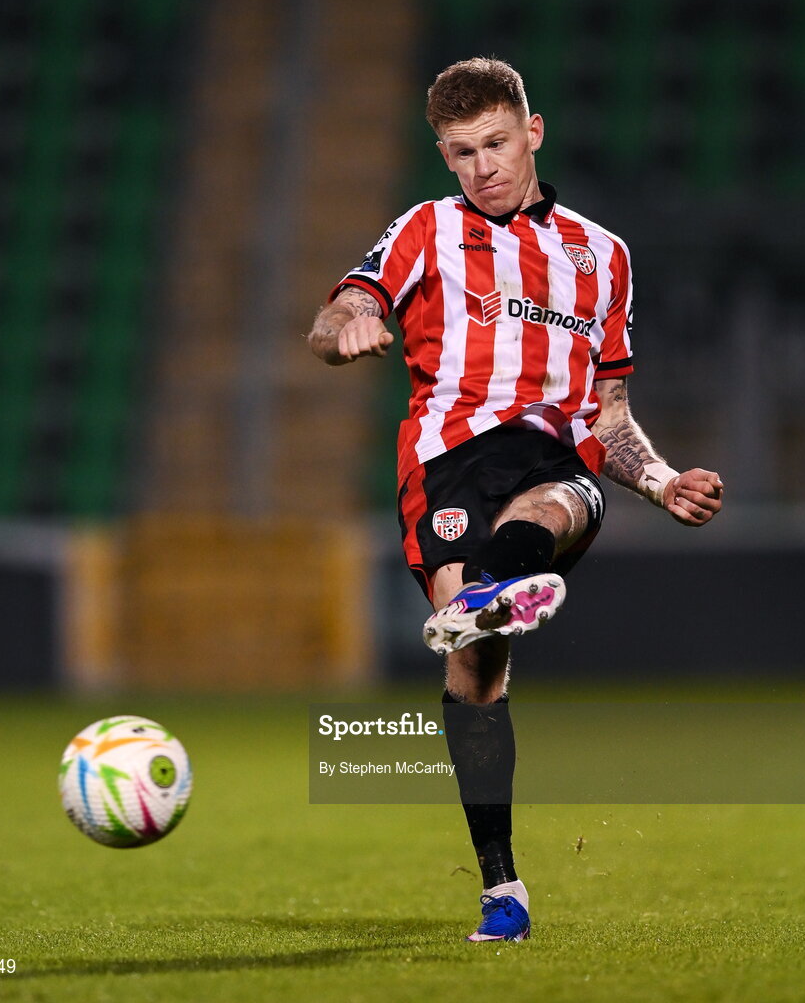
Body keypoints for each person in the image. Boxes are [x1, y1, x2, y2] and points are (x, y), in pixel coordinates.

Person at [308, 57, 723, 942]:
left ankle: (499, 588)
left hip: (550, 454)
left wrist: (657, 478)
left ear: (530, 133)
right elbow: (341, 302)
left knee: (545, 511)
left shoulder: (600, 255)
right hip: (448, 460)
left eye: (495, 144)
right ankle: (502, 884)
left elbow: (606, 416)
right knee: (474, 670)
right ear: (443, 156)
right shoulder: (425, 229)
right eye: (460, 152)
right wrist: (343, 328)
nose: (481, 167)